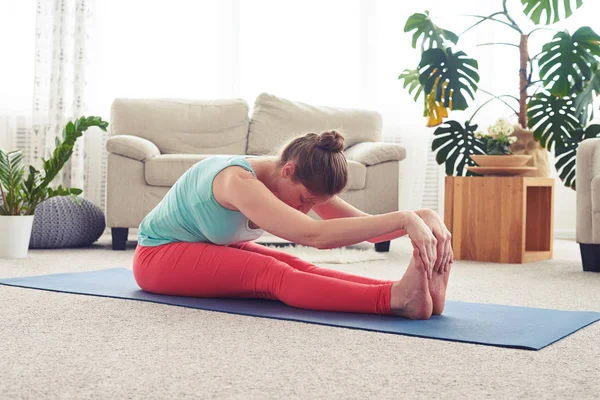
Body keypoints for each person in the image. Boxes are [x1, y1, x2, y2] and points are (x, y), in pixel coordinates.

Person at [133, 131, 453, 320]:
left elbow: (365, 228)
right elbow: (313, 235)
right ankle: (394, 300)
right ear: (287, 170)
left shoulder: (301, 179)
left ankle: (410, 294)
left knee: (296, 264)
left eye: (314, 203)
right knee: (273, 276)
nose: (307, 209)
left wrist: (422, 215)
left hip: (207, 246)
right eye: (305, 200)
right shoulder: (237, 181)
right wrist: (404, 219)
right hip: (157, 256)